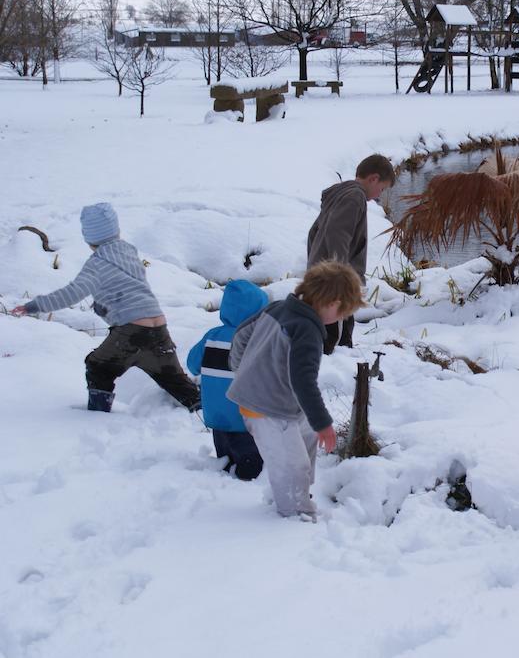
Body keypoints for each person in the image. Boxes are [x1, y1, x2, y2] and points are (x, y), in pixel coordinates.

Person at [11, 202, 199, 413]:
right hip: (158, 326)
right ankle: (207, 415)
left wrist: (33, 306)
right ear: (116, 229)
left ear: (88, 237)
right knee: (174, 380)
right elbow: (131, 287)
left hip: (132, 330)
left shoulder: (97, 263)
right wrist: (105, 305)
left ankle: (99, 417)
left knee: (99, 367)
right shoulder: (129, 253)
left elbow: (72, 293)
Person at [227, 261, 364, 520]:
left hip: (281, 400)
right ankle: (294, 514)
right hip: (266, 408)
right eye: (343, 313)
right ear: (333, 303)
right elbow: (303, 381)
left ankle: (301, 491)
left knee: (307, 435)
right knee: (291, 464)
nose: (341, 319)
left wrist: (243, 370)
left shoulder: (278, 307)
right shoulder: (308, 331)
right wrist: (324, 422)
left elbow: (241, 336)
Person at [307, 154, 395, 352]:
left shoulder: (339, 194)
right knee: (336, 343)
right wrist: (341, 278)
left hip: (323, 278)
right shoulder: (354, 197)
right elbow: (337, 234)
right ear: (373, 178)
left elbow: (314, 233)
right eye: (381, 189)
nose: (379, 195)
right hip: (334, 286)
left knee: (325, 335)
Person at [187, 280, 269, 480]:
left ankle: (226, 472)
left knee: (225, 457)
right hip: (246, 417)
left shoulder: (212, 336)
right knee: (251, 465)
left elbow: (192, 365)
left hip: (216, 416)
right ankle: (245, 481)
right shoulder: (257, 339)